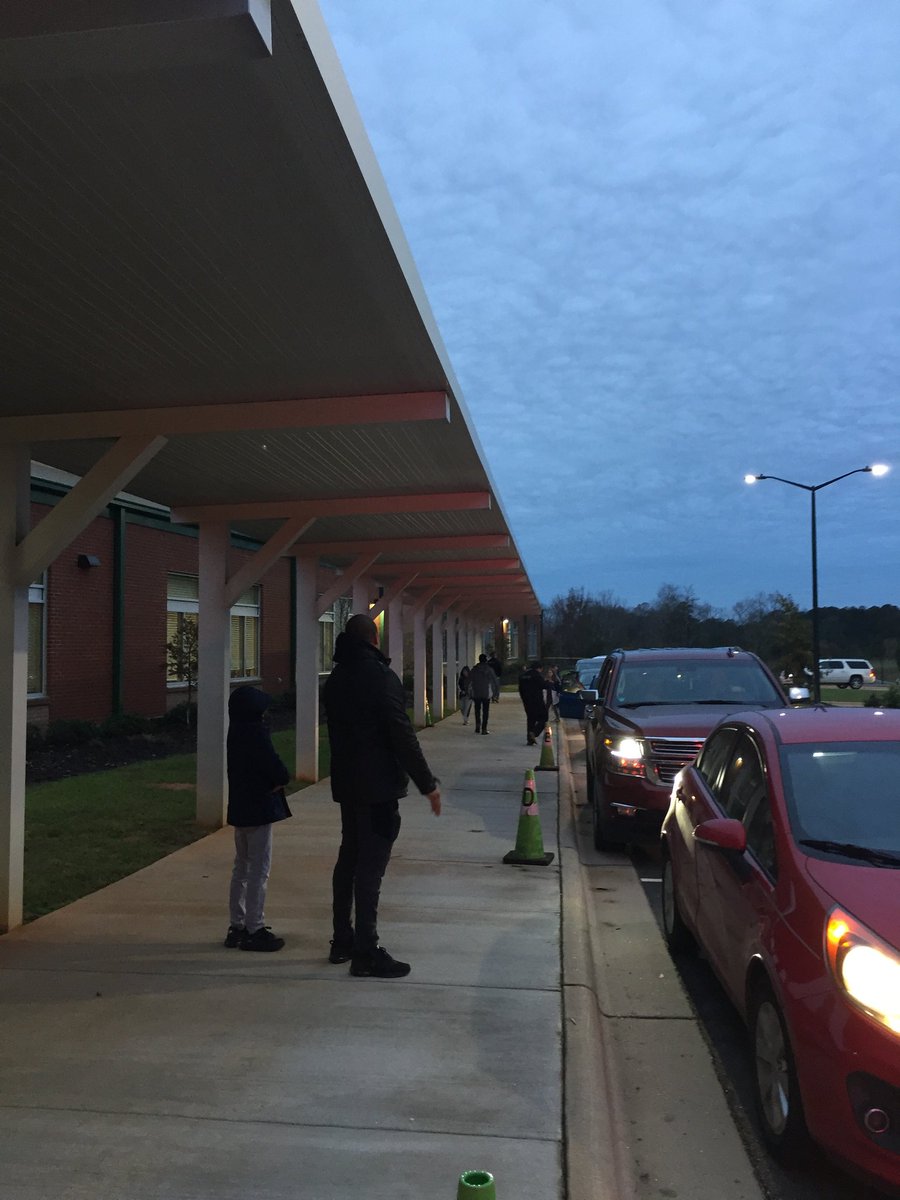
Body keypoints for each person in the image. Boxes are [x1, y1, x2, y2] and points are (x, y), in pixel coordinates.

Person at [323, 613, 441, 979]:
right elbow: (401, 735)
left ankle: (342, 939)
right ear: (374, 640)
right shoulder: (380, 678)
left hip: (348, 785)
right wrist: (428, 784)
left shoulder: (336, 679)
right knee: (370, 869)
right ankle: (366, 950)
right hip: (377, 788)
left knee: (349, 860)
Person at [224, 685, 292, 952]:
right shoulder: (256, 734)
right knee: (259, 870)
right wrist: (279, 780)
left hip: (241, 809)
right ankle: (255, 927)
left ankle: (237, 925)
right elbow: (276, 768)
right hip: (259, 808)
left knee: (240, 868)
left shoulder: (235, 733)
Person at [518, 661, 550, 746]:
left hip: (527, 701)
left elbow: (520, 689)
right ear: (539, 668)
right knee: (544, 717)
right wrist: (548, 681)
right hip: (537, 700)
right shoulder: (537, 675)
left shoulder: (523, 676)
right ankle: (534, 733)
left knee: (531, 719)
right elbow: (543, 685)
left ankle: (530, 739)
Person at [469, 653, 499, 734]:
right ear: (485, 660)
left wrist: (468, 691)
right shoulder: (489, 669)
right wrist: (496, 693)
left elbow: (468, 680)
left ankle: (477, 726)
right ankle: (484, 728)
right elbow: (495, 682)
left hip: (476, 692)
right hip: (486, 693)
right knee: (485, 711)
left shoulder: (474, 669)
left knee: (477, 710)